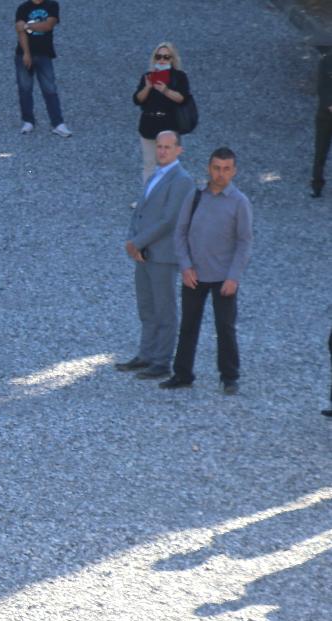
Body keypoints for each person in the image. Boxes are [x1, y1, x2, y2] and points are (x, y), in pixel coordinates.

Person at [163, 147, 252, 394]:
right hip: (194, 275)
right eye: (216, 168)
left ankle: (230, 377)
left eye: (226, 169)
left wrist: (234, 276)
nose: (220, 174)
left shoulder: (239, 202)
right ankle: (182, 374)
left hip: (224, 277)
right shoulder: (195, 197)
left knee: (225, 327)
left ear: (234, 171)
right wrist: (185, 266)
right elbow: (180, 233)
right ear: (208, 168)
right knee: (189, 325)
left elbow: (244, 241)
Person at [117, 131, 194, 380]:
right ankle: (146, 354)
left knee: (164, 309)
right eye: (159, 146)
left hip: (162, 254)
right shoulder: (156, 175)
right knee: (147, 307)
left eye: (167, 147)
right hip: (144, 253)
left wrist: (137, 242)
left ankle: (162, 361)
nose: (162, 151)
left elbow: (169, 219)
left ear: (178, 150)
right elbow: (140, 211)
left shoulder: (181, 180)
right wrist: (133, 241)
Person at [133, 44, 192, 181]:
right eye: (158, 56)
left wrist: (165, 90)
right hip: (149, 125)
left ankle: (168, 199)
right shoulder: (148, 76)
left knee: (169, 165)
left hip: (169, 126)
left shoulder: (179, 77)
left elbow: (182, 99)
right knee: (149, 164)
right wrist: (147, 87)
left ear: (172, 59)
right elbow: (137, 99)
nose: (162, 60)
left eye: (166, 57)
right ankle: (148, 199)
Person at [14, 0, 71, 137]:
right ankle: (28, 121)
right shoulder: (23, 8)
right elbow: (19, 31)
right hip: (24, 54)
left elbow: (48, 25)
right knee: (25, 89)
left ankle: (57, 123)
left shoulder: (51, 5)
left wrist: (27, 25)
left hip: (45, 54)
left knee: (50, 89)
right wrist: (26, 53)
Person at [313, 46, 332, 198]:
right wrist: (329, 104)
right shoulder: (327, 60)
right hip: (326, 114)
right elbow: (322, 86)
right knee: (321, 150)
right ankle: (317, 184)